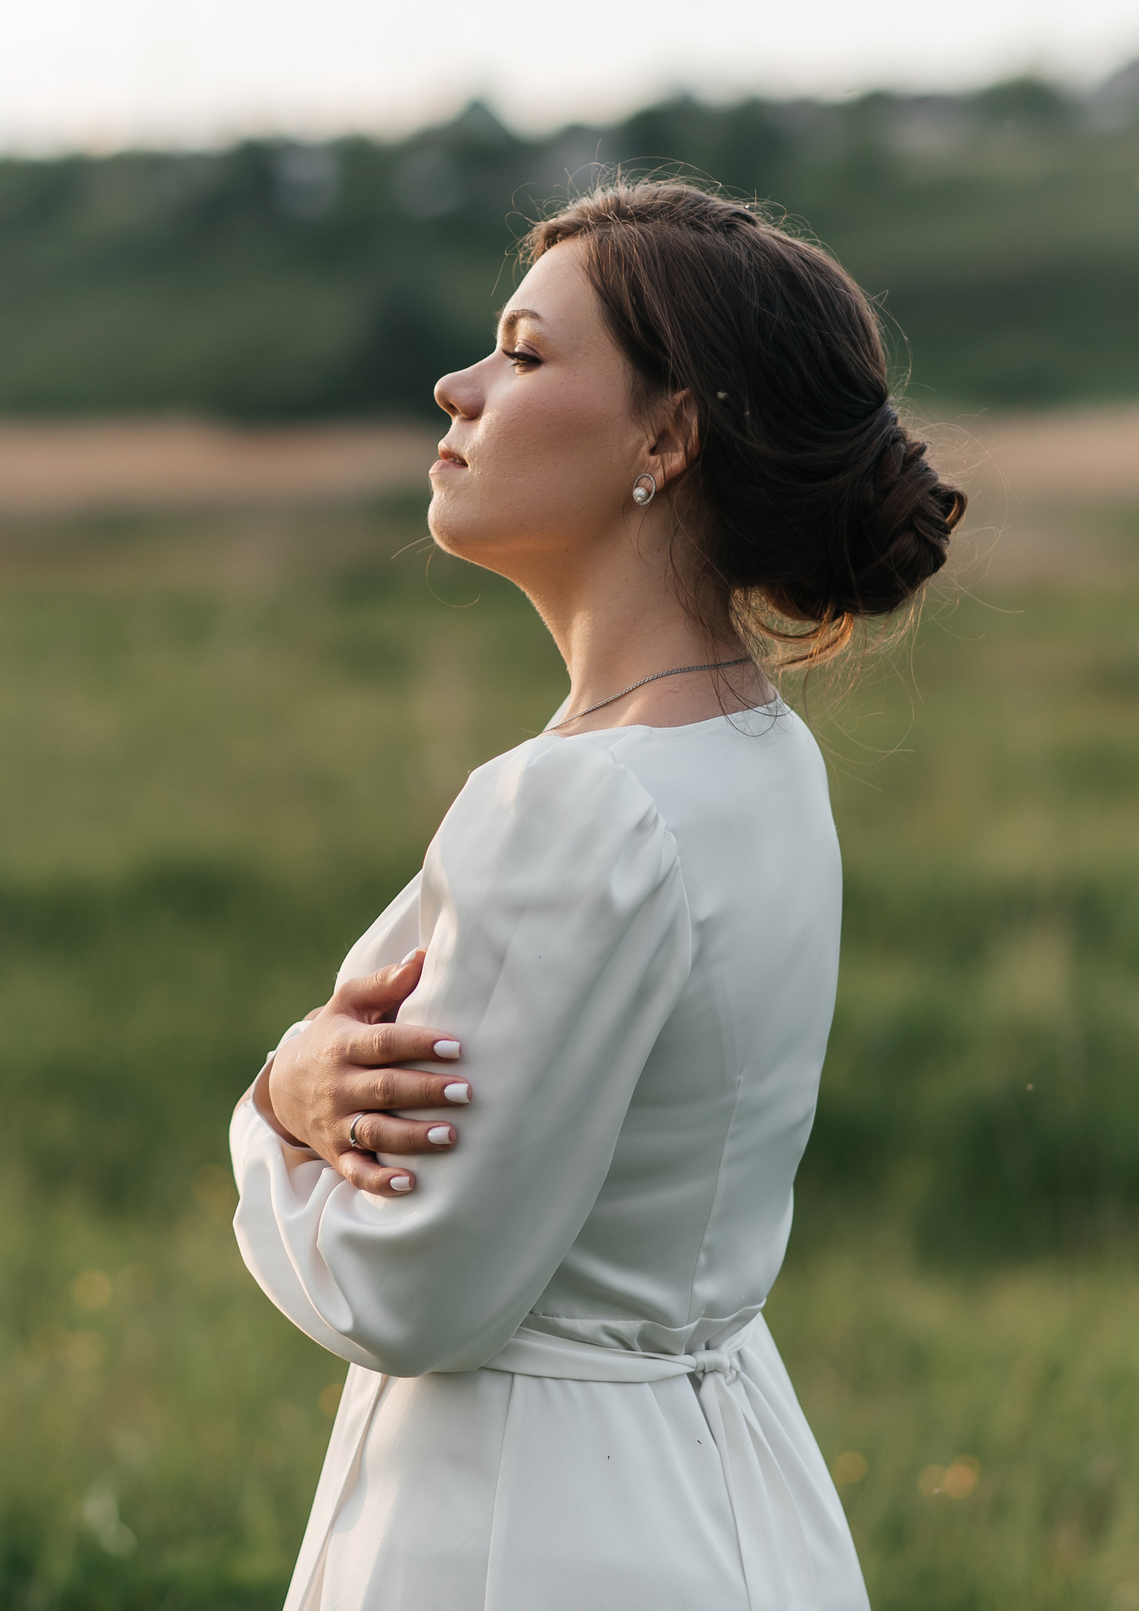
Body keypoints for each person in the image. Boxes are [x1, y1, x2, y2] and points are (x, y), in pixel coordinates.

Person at [231, 179, 966, 1610]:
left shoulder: (575, 803)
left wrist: (276, 1106)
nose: (457, 387)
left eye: (523, 353)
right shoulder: (760, 753)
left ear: (667, 437)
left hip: (531, 1523)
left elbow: (408, 1285)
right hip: (731, 1486)